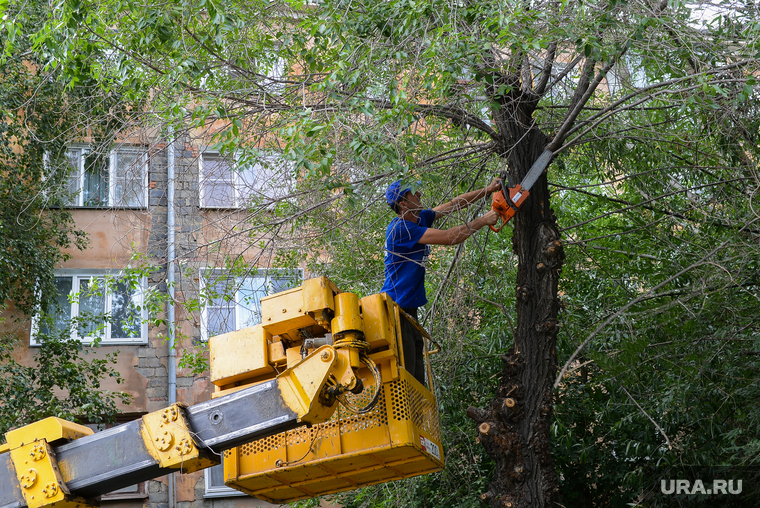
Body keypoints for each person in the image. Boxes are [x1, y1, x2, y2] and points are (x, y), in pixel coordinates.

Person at [381, 178, 501, 385]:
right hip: (396, 310)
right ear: (403, 204)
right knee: (408, 374)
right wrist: (482, 220)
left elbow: (453, 205)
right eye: (413, 193)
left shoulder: (418, 219)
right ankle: (407, 414)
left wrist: (487, 190)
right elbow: (448, 238)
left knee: (417, 372)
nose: (419, 194)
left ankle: (417, 414)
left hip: (408, 308)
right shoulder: (401, 229)